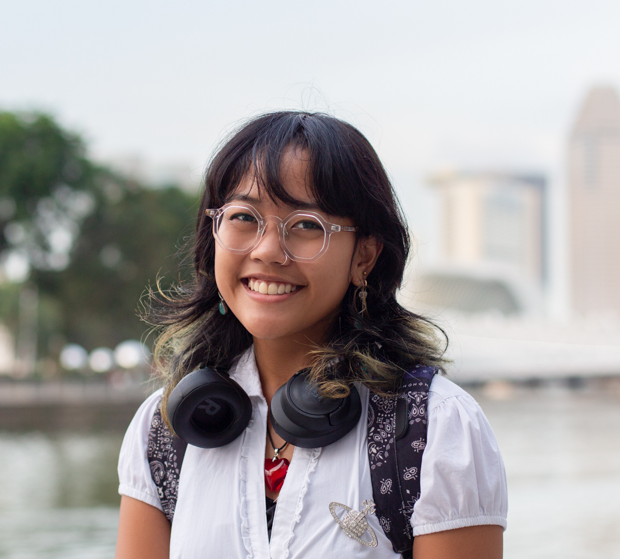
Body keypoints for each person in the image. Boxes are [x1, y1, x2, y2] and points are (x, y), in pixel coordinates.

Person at [115, 112, 507, 559]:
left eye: (306, 225)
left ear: (365, 256)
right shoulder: (162, 430)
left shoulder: (434, 428)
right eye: (244, 217)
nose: (266, 251)